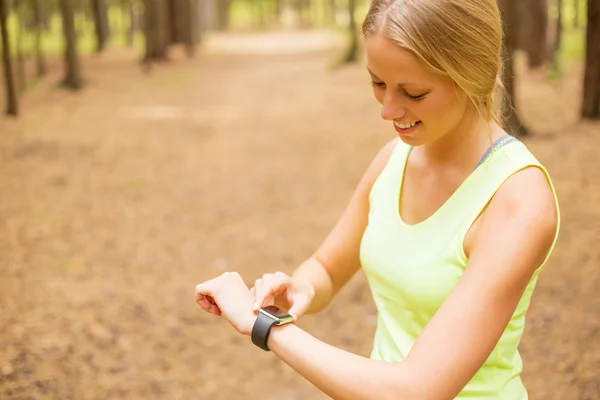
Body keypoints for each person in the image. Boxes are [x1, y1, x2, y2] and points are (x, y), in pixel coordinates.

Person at [194, 0, 561, 398]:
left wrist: (264, 326)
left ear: (473, 73)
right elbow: (328, 267)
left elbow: (415, 390)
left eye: (413, 93)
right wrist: (301, 288)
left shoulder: (518, 201)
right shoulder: (394, 160)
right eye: (378, 83)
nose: (388, 110)